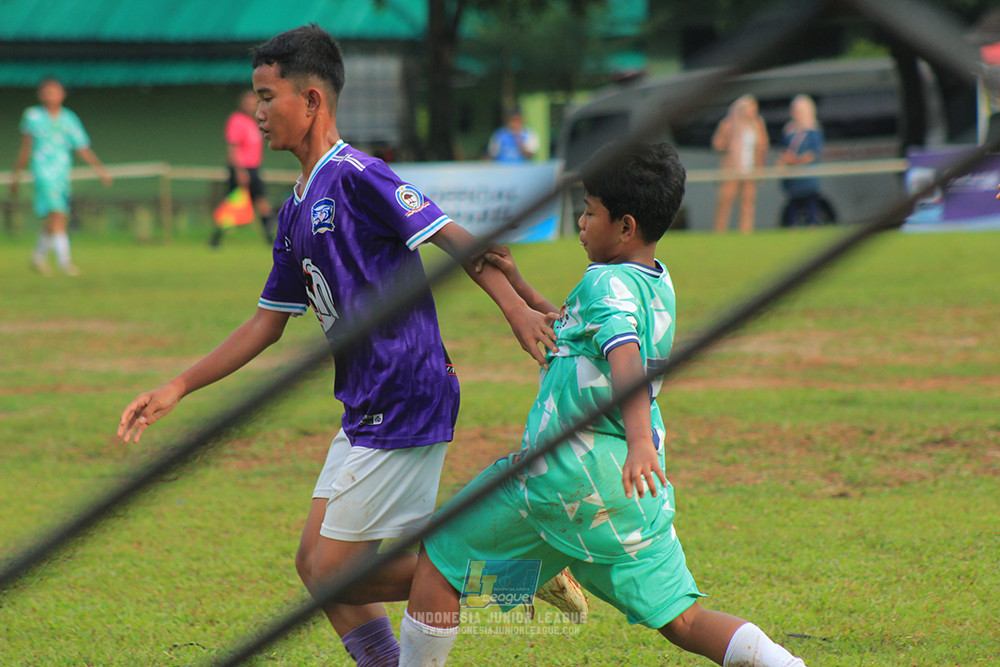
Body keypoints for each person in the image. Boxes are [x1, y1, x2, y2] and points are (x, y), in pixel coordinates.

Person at [117, 25, 560, 667]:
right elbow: (266, 323)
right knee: (313, 564)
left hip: (405, 392)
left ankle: (508, 572)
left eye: (269, 97)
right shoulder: (296, 209)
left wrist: (515, 307)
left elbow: (451, 237)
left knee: (336, 572)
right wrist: (177, 386)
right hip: (365, 401)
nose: (259, 113)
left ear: (313, 101)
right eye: (256, 98)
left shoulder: (357, 175)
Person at [399, 142, 809, 667]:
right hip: (625, 495)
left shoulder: (605, 280)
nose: (580, 220)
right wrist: (521, 285)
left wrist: (639, 440)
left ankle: (518, 585)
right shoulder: (654, 281)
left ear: (625, 226)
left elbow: (624, 355)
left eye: (590, 211)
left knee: (440, 561)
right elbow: (581, 332)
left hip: (564, 472)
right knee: (683, 619)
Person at [10, 77, 112, 276]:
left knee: (56, 218)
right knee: (58, 214)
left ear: (62, 94)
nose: (51, 96)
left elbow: (82, 147)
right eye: (47, 92)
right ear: (41, 95)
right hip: (43, 172)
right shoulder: (32, 116)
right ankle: (65, 263)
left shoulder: (68, 118)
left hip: (62, 173)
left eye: (54, 92)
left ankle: (37, 258)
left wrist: (100, 169)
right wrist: (17, 175)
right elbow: (25, 149)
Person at [210, 89, 277, 247]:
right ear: (242, 104)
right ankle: (216, 238)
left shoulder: (254, 122)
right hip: (242, 169)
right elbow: (233, 148)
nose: (252, 106)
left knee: (261, 202)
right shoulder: (237, 120)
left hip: (254, 169)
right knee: (233, 205)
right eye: (248, 103)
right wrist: (240, 171)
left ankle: (271, 239)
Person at [711, 95, 769, 234]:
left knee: (747, 203)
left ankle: (745, 232)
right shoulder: (728, 124)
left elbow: (763, 145)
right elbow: (717, 143)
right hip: (731, 170)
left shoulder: (757, 124)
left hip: (750, 169)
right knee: (725, 201)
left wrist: (760, 165)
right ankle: (719, 231)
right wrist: (729, 144)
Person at [777, 95, 824, 227]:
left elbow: (814, 153)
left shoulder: (813, 130)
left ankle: (813, 224)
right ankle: (791, 226)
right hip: (793, 177)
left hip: (808, 175)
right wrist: (787, 160)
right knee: (793, 203)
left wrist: (797, 161)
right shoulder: (788, 130)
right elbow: (783, 150)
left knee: (810, 201)